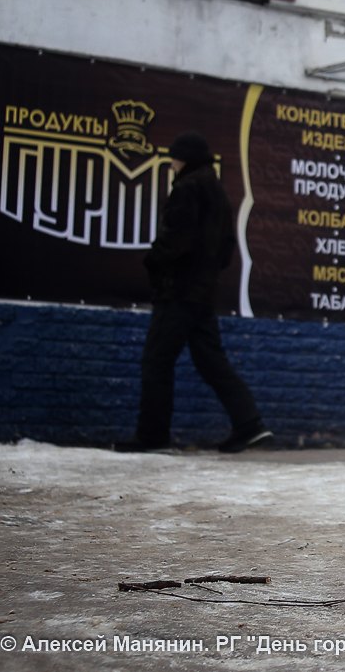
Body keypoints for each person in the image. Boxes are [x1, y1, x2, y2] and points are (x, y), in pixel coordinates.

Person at [113, 132, 272, 453]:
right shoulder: (218, 192)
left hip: (177, 291)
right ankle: (250, 425)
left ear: (182, 158)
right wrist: (207, 273)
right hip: (203, 292)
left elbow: (175, 239)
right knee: (211, 361)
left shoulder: (187, 188)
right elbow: (227, 247)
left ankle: (152, 436)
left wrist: (153, 261)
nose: (171, 164)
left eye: (173, 158)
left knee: (156, 361)